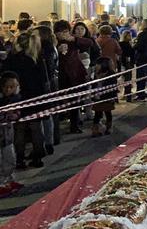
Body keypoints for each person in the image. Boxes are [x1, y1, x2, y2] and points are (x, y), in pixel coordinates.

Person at [2, 31, 47, 168]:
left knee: (19, 130)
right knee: (36, 128)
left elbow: (5, 77)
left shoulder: (12, 59)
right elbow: (44, 80)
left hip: (17, 98)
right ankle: (38, 157)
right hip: (35, 97)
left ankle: (20, 160)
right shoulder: (36, 58)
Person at [54, 21, 88, 133]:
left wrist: (74, 39)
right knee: (59, 101)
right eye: (60, 32)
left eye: (66, 31)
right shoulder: (53, 42)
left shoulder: (73, 40)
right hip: (60, 76)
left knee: (75, 101)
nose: (63, 34)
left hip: (75, 74)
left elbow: (90, 43)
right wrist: (56, 50)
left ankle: (74, 124)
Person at [0, 72, 22, 197]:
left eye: (12, 86)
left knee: (10, 159)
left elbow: (18, 113)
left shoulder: (15, 98)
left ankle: (9, 180)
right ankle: (2, 184)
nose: (9, 89)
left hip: (7, 135)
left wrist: (14, 115)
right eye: (7, 87)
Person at [90, 57, 116, 137]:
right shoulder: (96, 74)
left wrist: (112, 97)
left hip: (107, 97)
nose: (96, 66)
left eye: (98, 64)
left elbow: (113, 88)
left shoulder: (111, 74)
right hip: (98, 97)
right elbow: (93, 85)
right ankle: (95, 130)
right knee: (97, 114)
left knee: (108, 113)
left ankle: (109, 127)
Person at [119, 31, 135, 101]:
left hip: (127, 64)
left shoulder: (129, 44)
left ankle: (127, 94)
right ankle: (127, 96)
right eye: (129, 36)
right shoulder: (122, 44)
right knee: (126, 79)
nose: (130, 37)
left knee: (127, 80)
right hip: (125, 64)